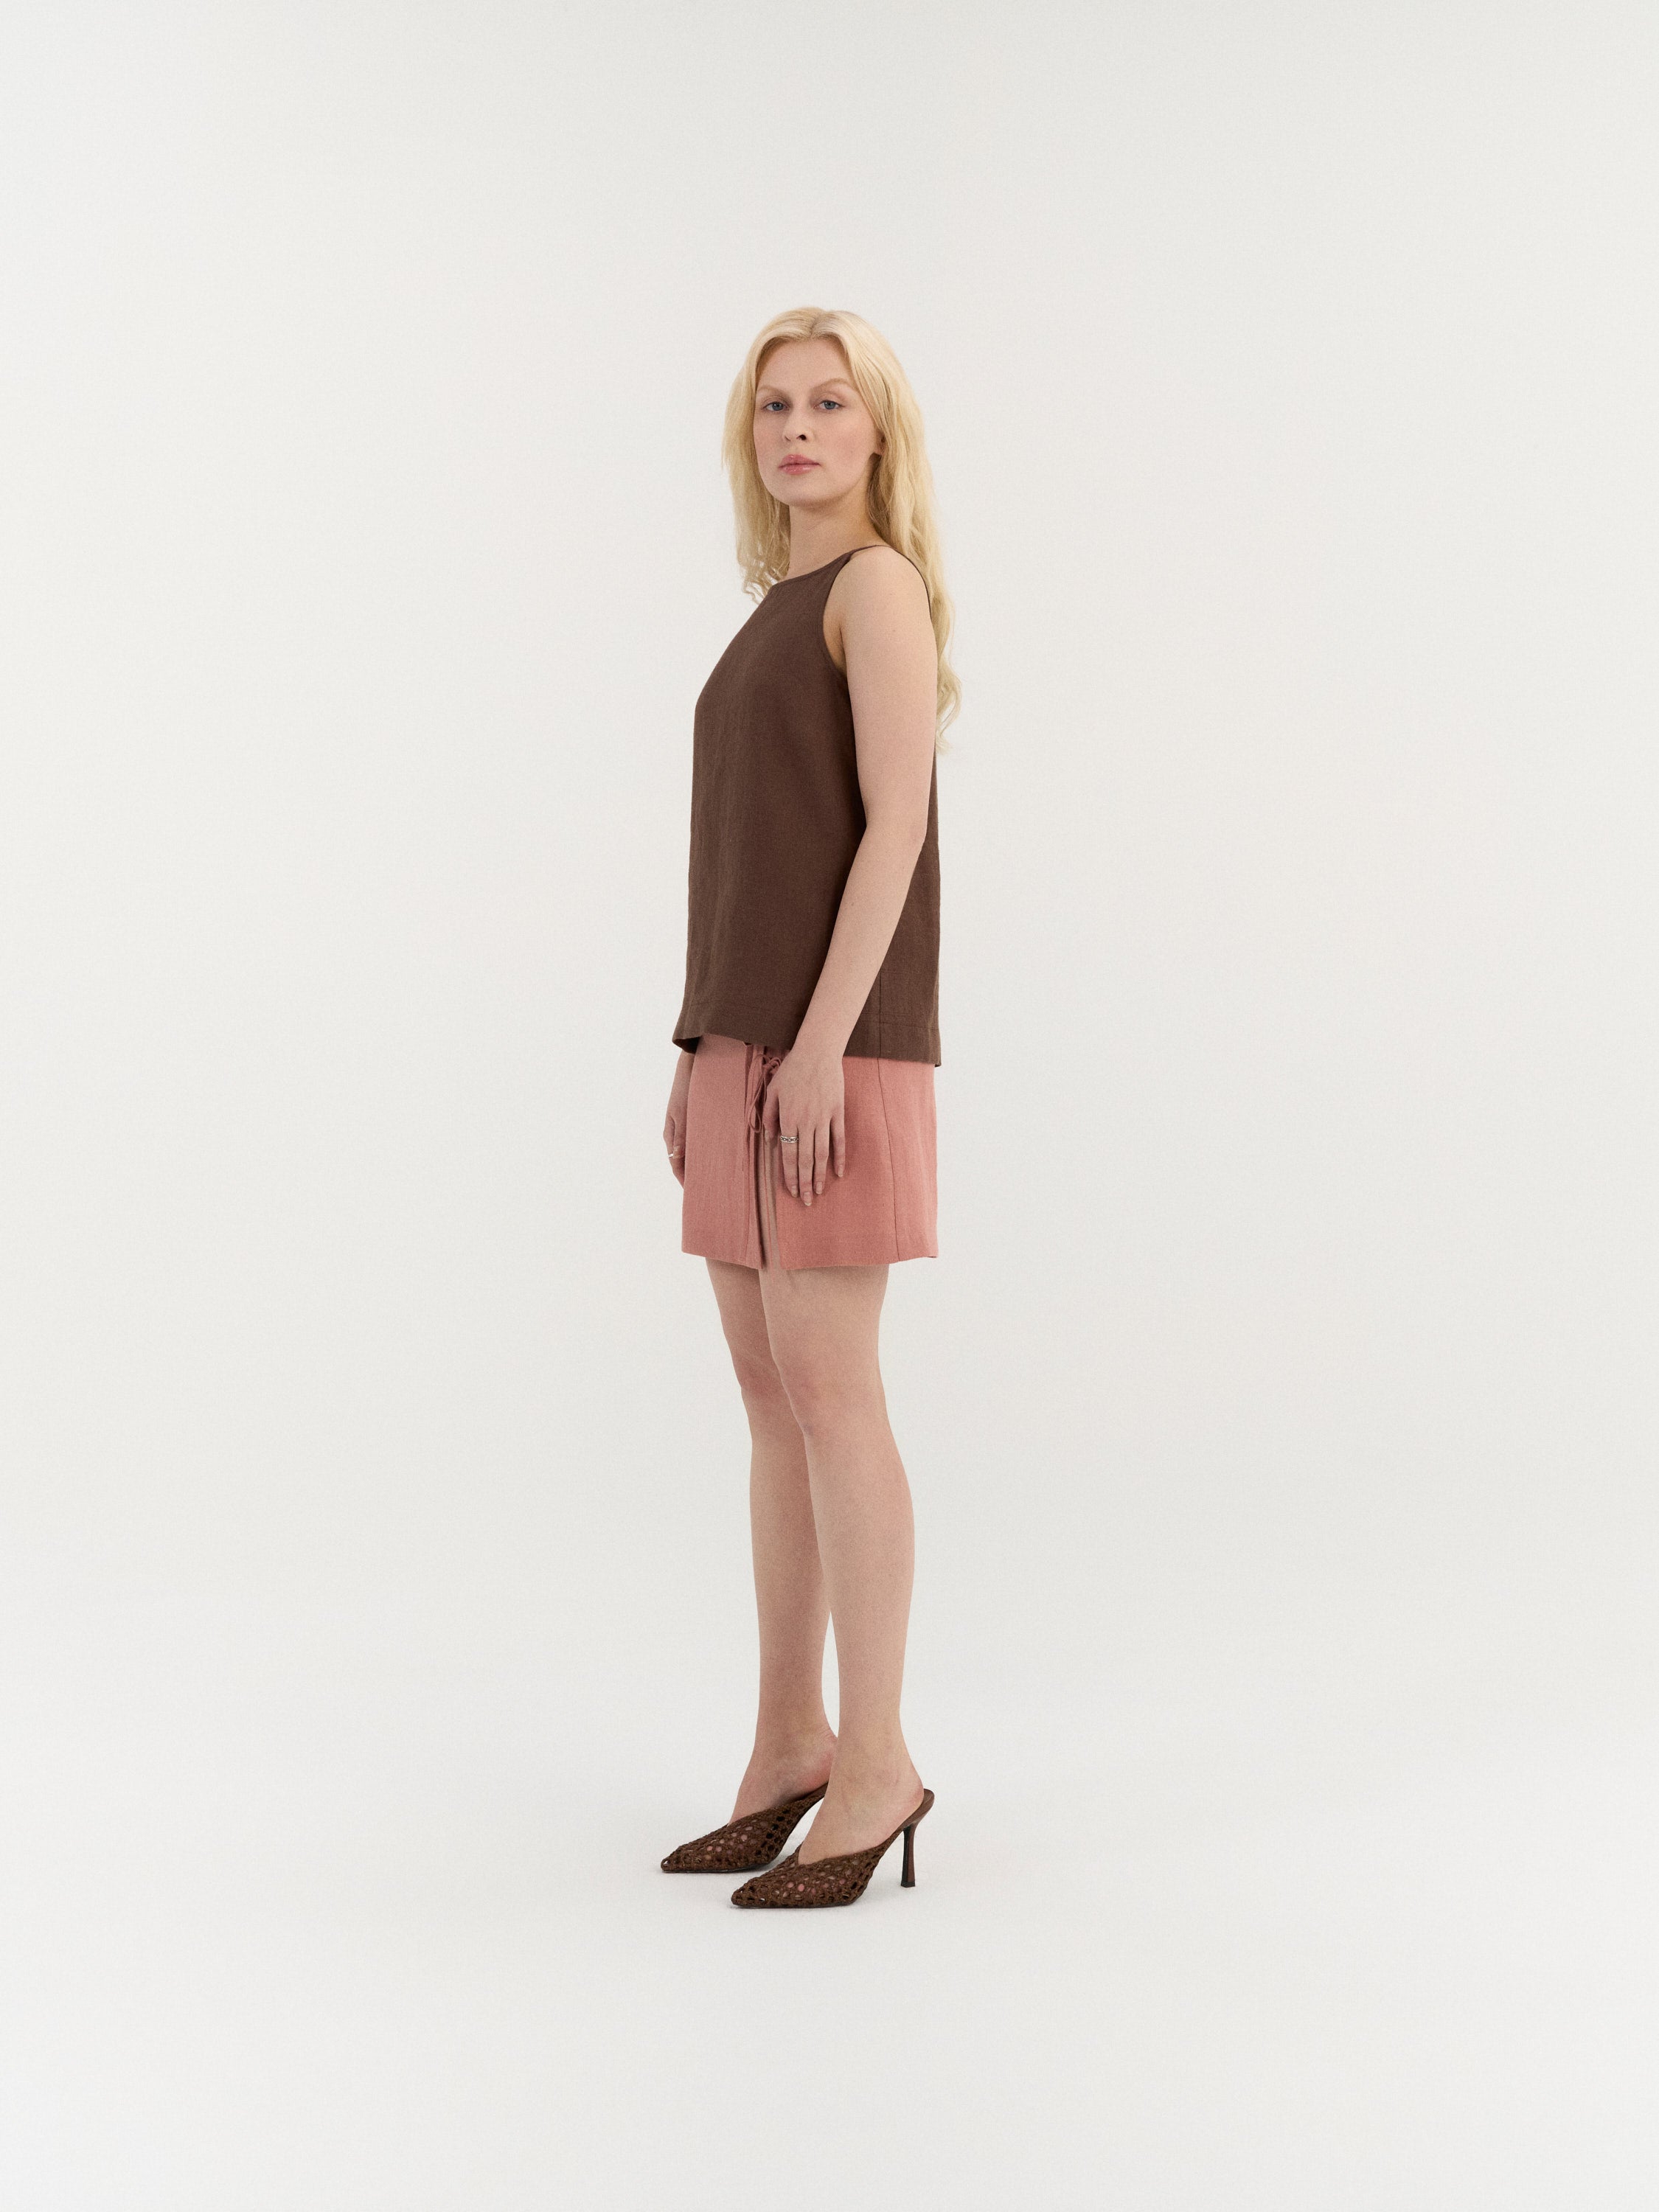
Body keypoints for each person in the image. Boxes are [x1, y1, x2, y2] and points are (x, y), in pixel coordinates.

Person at [660, 307, 959, 1910]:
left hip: (834, 1052)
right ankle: (790, 1745)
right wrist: (699, 1044)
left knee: (834, 1394)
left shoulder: (875, 590)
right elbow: (748, 851)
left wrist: (823, 1043)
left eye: (829, 403)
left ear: (876, 431)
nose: (797, 428)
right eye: (774, 405)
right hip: (744, 1051)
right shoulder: (772, 608)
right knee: (770, 1398)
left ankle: (879, 1759)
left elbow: (893, 826)